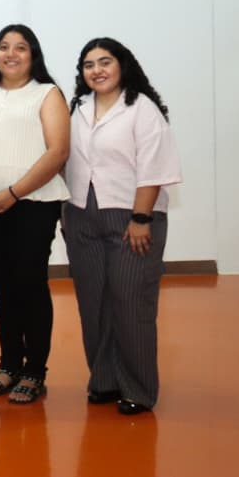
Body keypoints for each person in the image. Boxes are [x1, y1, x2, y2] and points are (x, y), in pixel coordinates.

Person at [63, 37, 180, 415]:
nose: (97, 70)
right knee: (93, 304)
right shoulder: (77, 107)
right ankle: (104, 380)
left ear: (122, 65)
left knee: (131, 304)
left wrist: (141, 219)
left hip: (131, 217)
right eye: (89, 65)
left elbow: (154, 167)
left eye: (105, 62)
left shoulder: (142, 108)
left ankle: (138, 389)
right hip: (82, 214)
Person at [0, 24, 70, 405]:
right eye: (3, 47)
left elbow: (58, 152)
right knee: (3, 287)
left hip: (33, 204)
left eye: (20, 47)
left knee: (30, 284)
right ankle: (9, 364)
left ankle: (35, 370)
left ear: (33, 54)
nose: (10, 54)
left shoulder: (47, 93)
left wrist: (13, 193)